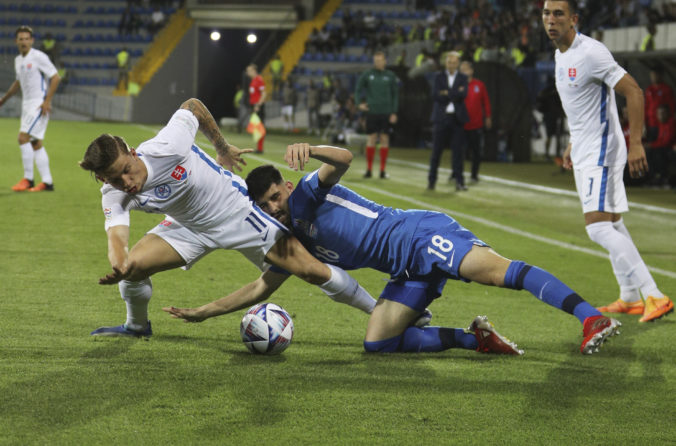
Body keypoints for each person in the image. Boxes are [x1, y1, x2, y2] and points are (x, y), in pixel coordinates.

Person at [166, 143, 622, 355]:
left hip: (420, 236)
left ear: (285, 187)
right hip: (404, 271)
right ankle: (473, 338)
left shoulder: (306, 191)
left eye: (276, 197)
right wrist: (203, 313)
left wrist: (313, 148)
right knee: (378, 342)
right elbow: (260, 286)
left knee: (500, 273)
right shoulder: (289, 240)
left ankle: (591, 318)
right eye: (266, 205)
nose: (275, 208)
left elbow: (344, 158)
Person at [79, 98, 377, 337]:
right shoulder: (113, 193)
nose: (125, 182)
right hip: (189, 225)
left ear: (132, 152)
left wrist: (222, 147)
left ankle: (379, 312)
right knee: (133, 269)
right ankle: (136, 326)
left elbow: (192, 106)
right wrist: (119, 264)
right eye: (114, 179)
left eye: (126, 171)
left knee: (312, 272)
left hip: (236, 212)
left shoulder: (168, 146)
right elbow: (117, 238)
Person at [542, 0, 673, 322]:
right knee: (612, 223)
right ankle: (630, 297)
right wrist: (573, 140)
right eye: (546, 13)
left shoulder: (592, 52)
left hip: (602, 150)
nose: (551, 19)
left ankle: (654, 294)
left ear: (574, 19)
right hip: (585, 148)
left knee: (598, 228)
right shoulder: (560, 55)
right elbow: (581, 106)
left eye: (558, 13)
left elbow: (634, 92)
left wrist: (637, 144)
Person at [0, 26, 60, 192]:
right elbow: (18, 83)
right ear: (16, 41)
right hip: (27, 105)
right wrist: (3, 99)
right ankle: (47, 183)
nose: (24, 41)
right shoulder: (18, 60)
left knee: (23, 138)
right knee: (35, 142)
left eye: (27, 38)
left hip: (38, 104)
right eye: (21, 39)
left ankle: (28, 179)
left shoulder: (39, 57)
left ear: (32, 40)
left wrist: (47, 101)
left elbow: (55, 77)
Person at [355, 51, 399, 179]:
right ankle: (369, 170)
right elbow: (358, 89)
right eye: (376, 61)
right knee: (371, 139)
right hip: (372, 112)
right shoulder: (368, 74)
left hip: (386, 112)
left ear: (385, 61)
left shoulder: (390, 76)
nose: (378, 63)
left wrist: (394, 112)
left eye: (380, 60)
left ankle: (382, 171)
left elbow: (395, 94)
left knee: (385, 139)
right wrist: (359, 104)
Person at [428, 51, 468, 191]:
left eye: (454, 62)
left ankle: (459, 182)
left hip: (457, 119)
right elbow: (435, 95)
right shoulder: (438, 76)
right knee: (436, 152)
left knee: (458, 153)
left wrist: (446, 92)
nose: (452, 64)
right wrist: (455, 92)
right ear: (446, 63)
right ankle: (431, 181)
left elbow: (464, 94)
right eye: (450, 62)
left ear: (458, 63)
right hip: (441, 119)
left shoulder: (463, 77)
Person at [459, 60, 492, 183]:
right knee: (460, 152)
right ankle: (457, 174)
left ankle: (474, 175)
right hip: (461, 125)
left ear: (471, 71)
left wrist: (488, 117)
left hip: (476, 124)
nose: (464, 72)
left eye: (466, 69)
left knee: (476, 152)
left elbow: (486, 102)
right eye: (462, 70)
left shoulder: (479, 85)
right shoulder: (457, 85)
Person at [536, 76, 565, 163]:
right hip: (551, 116)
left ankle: (554, 154)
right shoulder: (550, 92)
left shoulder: (546, 92)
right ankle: (550, 154)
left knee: (556, 136)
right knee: (553, 136)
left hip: (554, 115)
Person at [645, 104, 675, 187]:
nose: (660, 116)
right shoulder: (660, 125)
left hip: (670, 149)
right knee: (650, 152)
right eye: (659, 113)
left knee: (658, 153)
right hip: (664, 148)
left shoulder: (671, 124)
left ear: (668, 113)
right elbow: (660, 141)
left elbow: (667, 142)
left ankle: (663, 178)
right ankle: (653, 178)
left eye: (663, 113)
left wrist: (651, 145)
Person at [644, 68, 675, 144]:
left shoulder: (666, 89)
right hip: (651, 123)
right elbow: (646, 107)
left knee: (663, 143)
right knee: (652, 143)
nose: (653, 77)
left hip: (663, 124)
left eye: (655, 75)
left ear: (661, 75)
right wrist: (644, 123)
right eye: (652, 75)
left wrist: (670, 121)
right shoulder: (649, 89)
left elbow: (671, 106)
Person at [246, 64, 266, 153]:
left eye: (249, 70)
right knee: (256, 127)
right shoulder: (253, 80)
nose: (247, 73)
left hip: (258, 106)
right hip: (254, 106)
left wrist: (258, 105)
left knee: (259, 127)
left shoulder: (259, 80)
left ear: (254, 70)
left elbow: (264, 93)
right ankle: (258, 147)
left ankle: (260, 148)